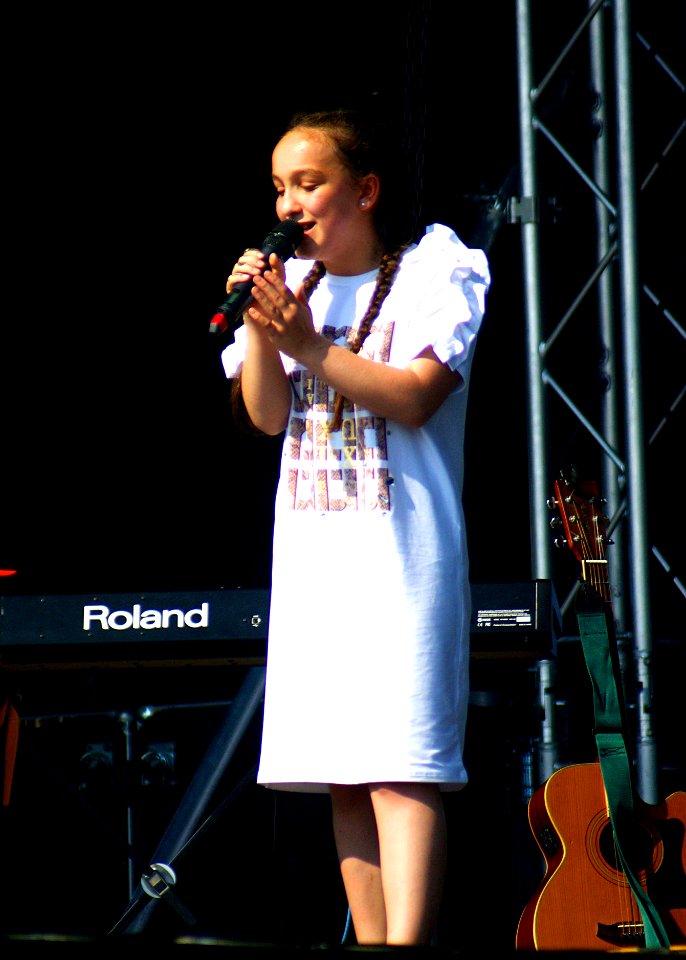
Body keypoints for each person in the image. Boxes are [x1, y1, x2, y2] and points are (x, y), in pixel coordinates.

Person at [220, 108, 490, 947]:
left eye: (310, 183)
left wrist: (307, 343)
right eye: (278, 187)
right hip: (316, 563)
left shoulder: (431, 273)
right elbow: (265, 418)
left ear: (364, 190)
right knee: (343, 776)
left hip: (401, 563)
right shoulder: (288, 289)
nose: (291, 203)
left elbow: (414, 396)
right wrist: (271, 332)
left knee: (400, 768)